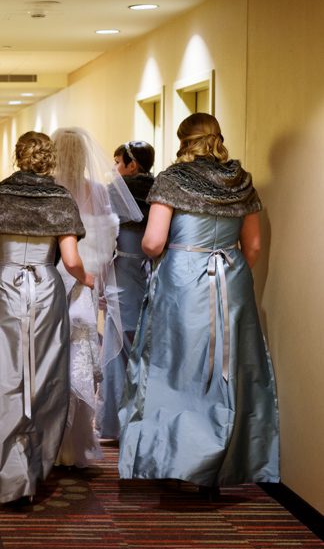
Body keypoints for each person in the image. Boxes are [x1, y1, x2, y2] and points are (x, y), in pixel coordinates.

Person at [118, 113, 280, 494]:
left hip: (182, 278)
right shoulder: (241, 180)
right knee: (226, 372)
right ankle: (218, 462)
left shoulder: (173, 179)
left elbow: (153, 242)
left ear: (183, 140)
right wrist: (228, 272)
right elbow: (253, 246)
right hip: (231, 277)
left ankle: (176, 459)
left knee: (176, 368)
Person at [0, 131, 94, 504]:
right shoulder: (60, 198)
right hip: (46, 289)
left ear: (17, 157)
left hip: (5, 287)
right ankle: (35, 467)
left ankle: (11, 477)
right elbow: (70, 261)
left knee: (6, 376)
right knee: (45, 376)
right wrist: (85, 278)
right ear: (48, 159)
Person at [50, 128, 143, 468]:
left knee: (48, 360)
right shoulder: (98, 192)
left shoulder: (48, 191)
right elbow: (107, 244)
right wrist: (92, 278)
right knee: (80, 361)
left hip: (50, 282)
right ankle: (76, 446)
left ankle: (49, 442)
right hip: (83, 284)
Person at [96, 141, 156, 440]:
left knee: (118, 347)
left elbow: (105, 242)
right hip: (154, 274)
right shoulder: (160, 192)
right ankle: (143, 419)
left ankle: (116, 423)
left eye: (117, 162)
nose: (114, 169)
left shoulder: (115, 194)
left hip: (122, 274)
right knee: (146, 349)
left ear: (132, 165)